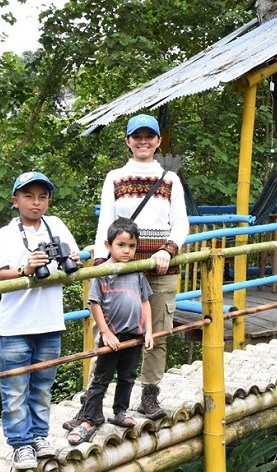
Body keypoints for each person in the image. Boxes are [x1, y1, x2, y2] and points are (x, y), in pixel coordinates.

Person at [93, 113, 189, 419]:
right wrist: (100, 265)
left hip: (160, 270)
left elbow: (181, 223)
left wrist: (168, 250)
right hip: (121, 271)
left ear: (158, 142)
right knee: (107, 334)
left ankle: (149, 394)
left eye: (149, 136)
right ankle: (92, 400)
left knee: (156, 333)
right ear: (128, 142)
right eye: (137, 137)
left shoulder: (170, 180)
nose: (143, 142)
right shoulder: (115, 178)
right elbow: (104, 224)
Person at [0, 171, 80, 470]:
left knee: (42, 386)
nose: (36, 203)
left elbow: (72, 261)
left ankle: (39, 436)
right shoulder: (6, 233)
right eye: (29, 196)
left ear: (49, 201)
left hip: (50, 322)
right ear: (15, 201)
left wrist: (75, 259)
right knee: (15, 389)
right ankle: (20, 444)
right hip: (16, 325)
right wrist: (25, 268)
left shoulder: (56, 226)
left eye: (42, 197)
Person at [67, 218, 154, 445]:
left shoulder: (137, 271)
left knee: (127, 376)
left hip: (134, 335)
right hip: (112, 335)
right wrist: (105, 332)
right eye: (121, 245)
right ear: (108, 245)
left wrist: (149, 331)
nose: (126, 251)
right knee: (101, 378)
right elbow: (94, 303)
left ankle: (120, 411)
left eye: (131, 246)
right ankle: (90, 417)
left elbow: (145, 302)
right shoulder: (102, 271)